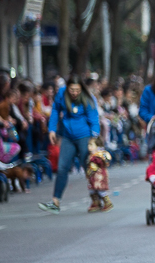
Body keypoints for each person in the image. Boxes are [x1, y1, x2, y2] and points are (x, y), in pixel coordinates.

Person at [39, 76, 101, 214]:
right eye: (72, 90)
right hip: (67, 137)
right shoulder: (61, 94)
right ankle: (55, 201)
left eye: (77, 90)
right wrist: (52, 130)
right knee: (62, 168)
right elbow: (55, 110)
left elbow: (94, 118)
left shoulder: (87, 98)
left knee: (88, 168)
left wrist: (94, 138)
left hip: (84, 136)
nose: (74, 93)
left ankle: (97, 198)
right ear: (67, 88)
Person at [85, 137, 113, 212]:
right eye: (88, 145)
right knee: (92, 190)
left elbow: (98, 164)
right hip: (93, 177)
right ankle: (96, 202)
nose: (89, 147)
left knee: (101, 190)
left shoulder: (98, 155)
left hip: (99, 176)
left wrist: (93, 165)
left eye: (91, 145)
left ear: (97, 146)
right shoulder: (92, 155)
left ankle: (107, 202)